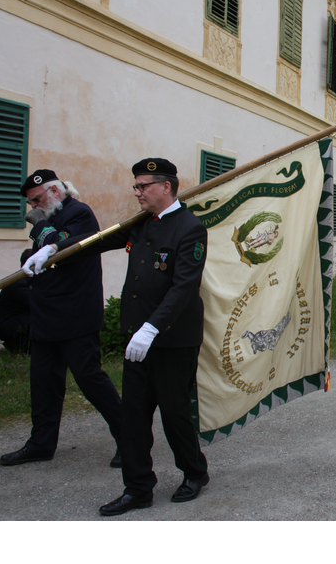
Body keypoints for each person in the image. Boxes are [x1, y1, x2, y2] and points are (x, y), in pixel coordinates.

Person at [25, 159, 210, 515]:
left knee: (173, 414)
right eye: (135, 187)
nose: (137, 192)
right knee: (134, 415)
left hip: (171, 338)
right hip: (137, 337)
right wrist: (51, 251)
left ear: (166, 187)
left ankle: (194, 472)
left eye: (142, 186)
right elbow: (98, 240)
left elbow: (184, 286)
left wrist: (152, 329)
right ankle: (138, 487)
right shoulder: (140, 224)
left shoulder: (190, 229)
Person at [0, 171, 123, 468]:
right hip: (46, 315)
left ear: (55, 190)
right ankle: (40, 443)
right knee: (43, 383)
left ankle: (130, 436)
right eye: (31, 203)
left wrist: (40, 223)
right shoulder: (52, 215)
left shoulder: (79, 213)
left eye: (38, 199)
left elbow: (58, 249)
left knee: (90, 379)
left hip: (76, 314)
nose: (35, 207)